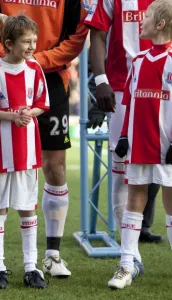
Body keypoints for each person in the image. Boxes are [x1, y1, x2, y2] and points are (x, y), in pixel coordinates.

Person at [0, 0, 91, 278]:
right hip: (6, 78)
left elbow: (77, 37)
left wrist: (34, 61)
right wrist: (10, 56)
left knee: (55, 168)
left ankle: (51, 255)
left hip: (52, 80)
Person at [85, 0, 165, 276]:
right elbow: (97, 33)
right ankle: (130, 256)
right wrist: (100, 80)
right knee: (123, 168)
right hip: (123, 86)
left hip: (165, 84)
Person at [0, 15, 49, 290]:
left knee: (27, 209)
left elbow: (43, 102)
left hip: (28, 152)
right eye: (26, 42)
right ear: (8, 43)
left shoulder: (35, 69)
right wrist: (13, 116)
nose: (32, 46)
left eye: (34, 41)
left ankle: (32, 268)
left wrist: (28, 113)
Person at [107, 0, 172, 289]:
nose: (140, 21)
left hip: (166, 147)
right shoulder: (138, 61)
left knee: (171, 206)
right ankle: (125, 266)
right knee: (135, 200)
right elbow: (129, 103)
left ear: (160, 24)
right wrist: (123, 136)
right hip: (138, 146)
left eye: (146, 17)